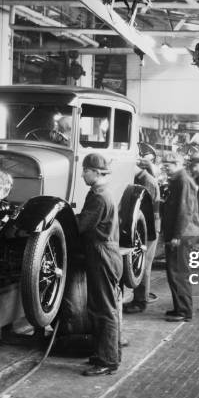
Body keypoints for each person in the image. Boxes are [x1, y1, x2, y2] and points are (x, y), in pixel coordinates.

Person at [77, 153, 124, 376]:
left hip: (102, 256)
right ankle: (105, 354)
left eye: (85, 170)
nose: (82, 174)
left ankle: (107, 361)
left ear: (96, 172)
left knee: (104, 309)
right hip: (106, 254)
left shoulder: (98, 196)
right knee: (103, 307)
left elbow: (82, 225)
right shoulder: (102, 192)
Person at [161, 152, 199, 323]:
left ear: (177, 163)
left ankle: (185, 311)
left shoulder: (183, 181)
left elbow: (184, 211)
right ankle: (180, 307)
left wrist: (177, 235)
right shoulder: (179, 180)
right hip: (182, 233)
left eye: (167, 165)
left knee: (179, 273)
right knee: (174, 272)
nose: (165, 168)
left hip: (183, 235)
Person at [124, 159, 160, 314]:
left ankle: (140, 301)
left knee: (143, 264)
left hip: (149, 229)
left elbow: (147, 210)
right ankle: (139, 298)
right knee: (141, 264)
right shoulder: (142, 179)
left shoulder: (148, 182)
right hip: (144, 228)